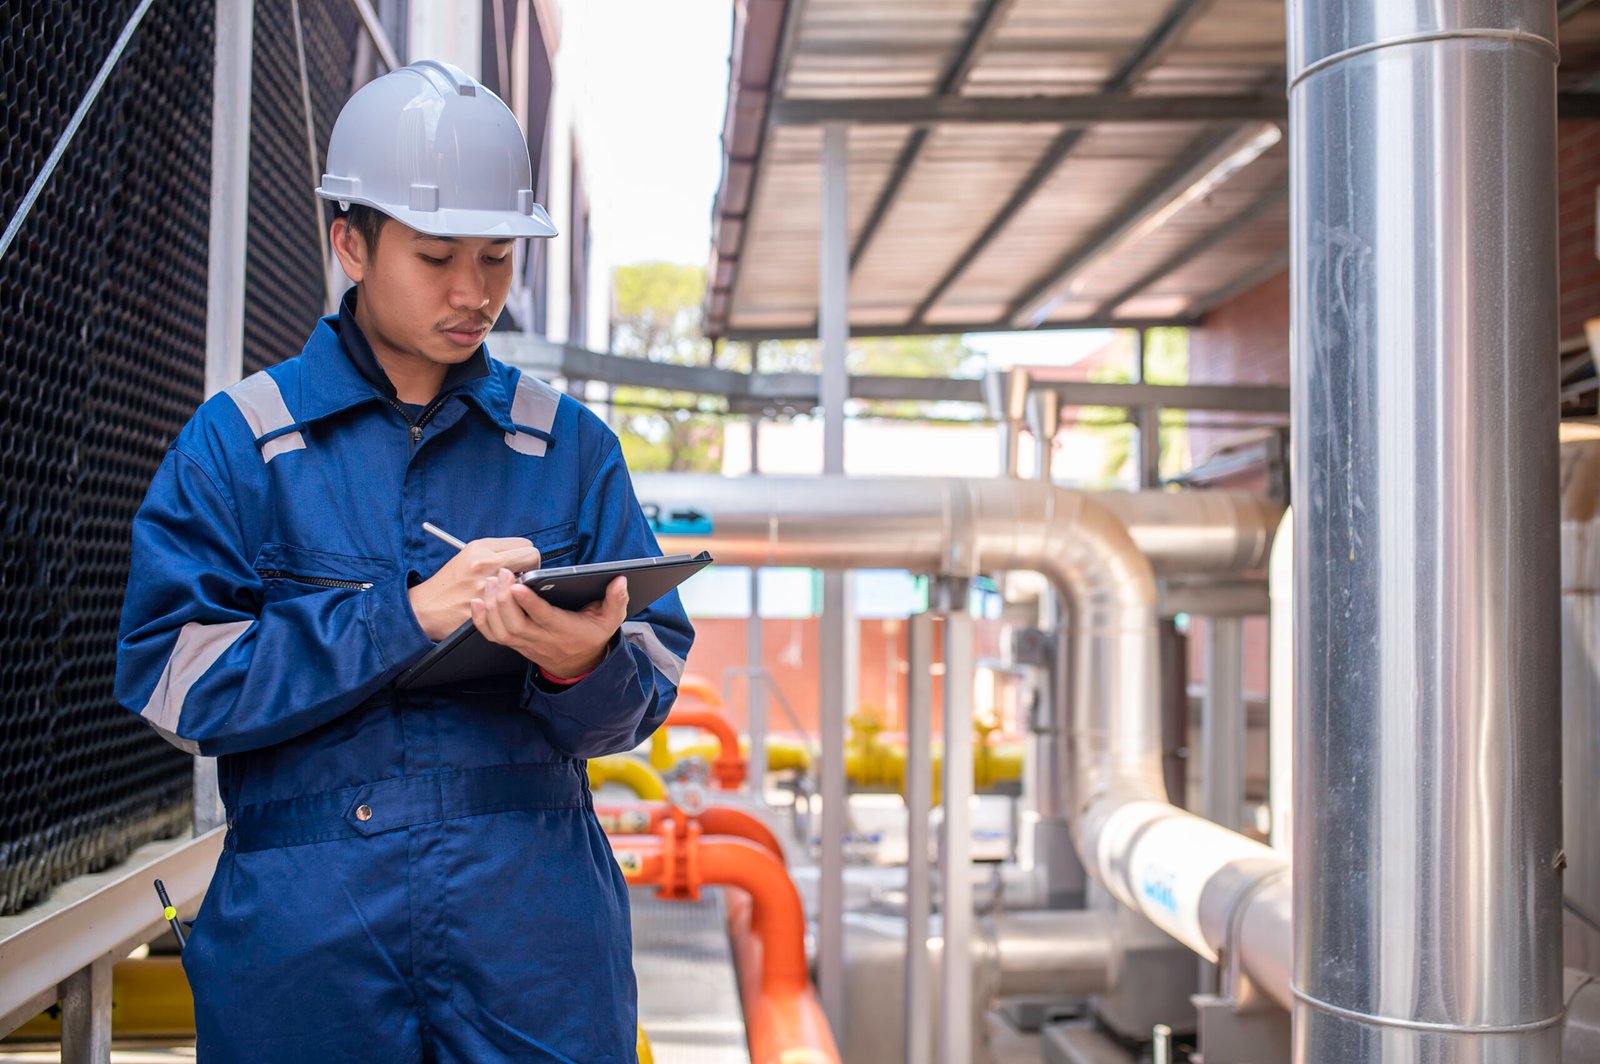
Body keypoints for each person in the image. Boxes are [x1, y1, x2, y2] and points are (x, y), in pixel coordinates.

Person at [115, 59, 692, 1063]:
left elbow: (638, 698)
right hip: (307, 941)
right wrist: (406, 616)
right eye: (436, 257)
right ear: (351, 241)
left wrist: (578, 661)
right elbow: (173, 681)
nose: (473, 293)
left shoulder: (567, 448)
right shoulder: (242, 443)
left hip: (533, 935)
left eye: (497, 258)